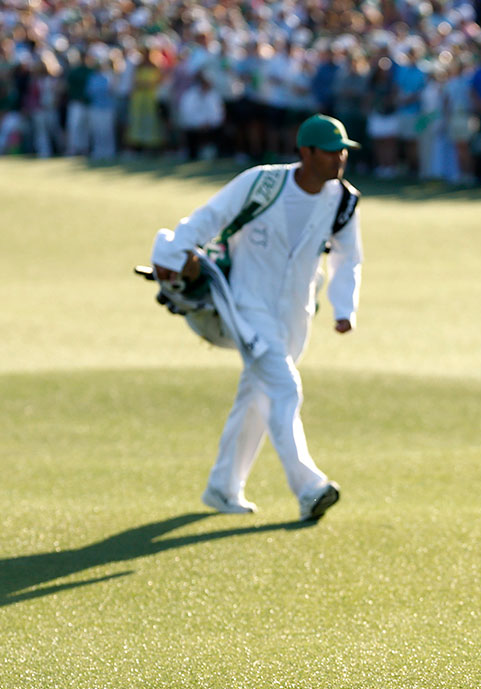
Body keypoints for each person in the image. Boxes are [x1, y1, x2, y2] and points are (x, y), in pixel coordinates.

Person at [149, 113, 362, 523]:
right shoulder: (262, 182)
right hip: (245, 305)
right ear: (306, 153)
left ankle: (222, 488)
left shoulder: (344, 200)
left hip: (297, 312)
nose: (340, 159)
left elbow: (348, 257)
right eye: (332, 152)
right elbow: (209, 217)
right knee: (285, 389)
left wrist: (344, 307)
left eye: (343, 152)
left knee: (257, 396)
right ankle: (309, 488)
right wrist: (176, 254)